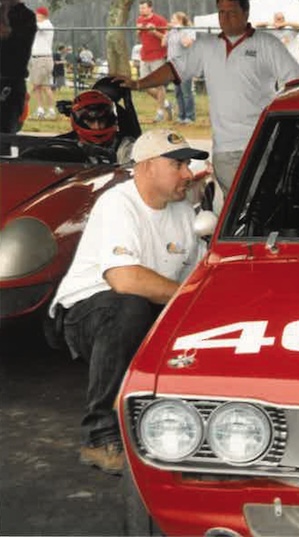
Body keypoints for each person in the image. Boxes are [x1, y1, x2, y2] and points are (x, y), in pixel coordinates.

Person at [48, 129, 208, 474]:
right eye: (178, 164)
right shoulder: (118, 203)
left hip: (142, 305)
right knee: (129, 307)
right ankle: (99, 437)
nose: (188, 174)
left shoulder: (182, 211)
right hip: (86, 313)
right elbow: (124, 280)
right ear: (147, 166)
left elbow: (199, 277)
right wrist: (194, 299)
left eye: (188, 164)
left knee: (192, 317)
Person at [118, 0, 299, 197]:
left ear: (246, 13)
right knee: (236, 206)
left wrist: (285, 126)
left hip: (263, 144)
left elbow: (297, 81)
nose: (225, 18)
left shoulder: (267, 44)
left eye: (232, 12)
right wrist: (138, 84)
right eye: (221, 12)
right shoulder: (206, 46)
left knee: (262, 203)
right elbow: (174, 69)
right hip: (224, 149)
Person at [68, 89, 135, 164]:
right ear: (79, 121)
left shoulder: (125, 145)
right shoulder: (66, 144)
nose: (97, 127)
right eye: (90, 121)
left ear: (110, 120)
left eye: (102, 120)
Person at [0, 0, 36, 135]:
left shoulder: (24, 16)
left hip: (10, 81)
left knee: (5, 133)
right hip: (12, 81)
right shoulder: (26, 16)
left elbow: (16, 50)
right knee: (6, 134)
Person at [136, 0, 172, 122]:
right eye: (140, 8)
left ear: (150, 8)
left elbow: (167, 38)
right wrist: (138, 30)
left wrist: (155, 31)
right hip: (144, 56)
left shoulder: (160, 20)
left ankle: (160, 112)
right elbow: (140, 36)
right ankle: (166, 103)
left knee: (159, 84)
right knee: (144, 84)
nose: (141, 10)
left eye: (144, 8)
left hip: (158, 56)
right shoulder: (139, 19)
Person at [163, 11, 196, 124]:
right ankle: (181, 116)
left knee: (186, 92)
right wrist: (167, 32)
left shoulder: (189, 30)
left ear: (180, 20)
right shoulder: (172, 31)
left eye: (173, 19)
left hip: (185, 65)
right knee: (178, 92)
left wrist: (180, 30)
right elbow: (163, 43)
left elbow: (186, 44)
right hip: (173, 66)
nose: (171, 21)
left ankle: (190, 116)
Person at [29, 6, 55, 119]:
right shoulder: (40, 25)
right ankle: (40, 110)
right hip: (36, 59)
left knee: (45, 86)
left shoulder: (46, 24)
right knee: (37, 86)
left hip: (43, 59)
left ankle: (51, 111)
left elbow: (34, 26)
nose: (35, 16)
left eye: (37, 14)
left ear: (42, 15)